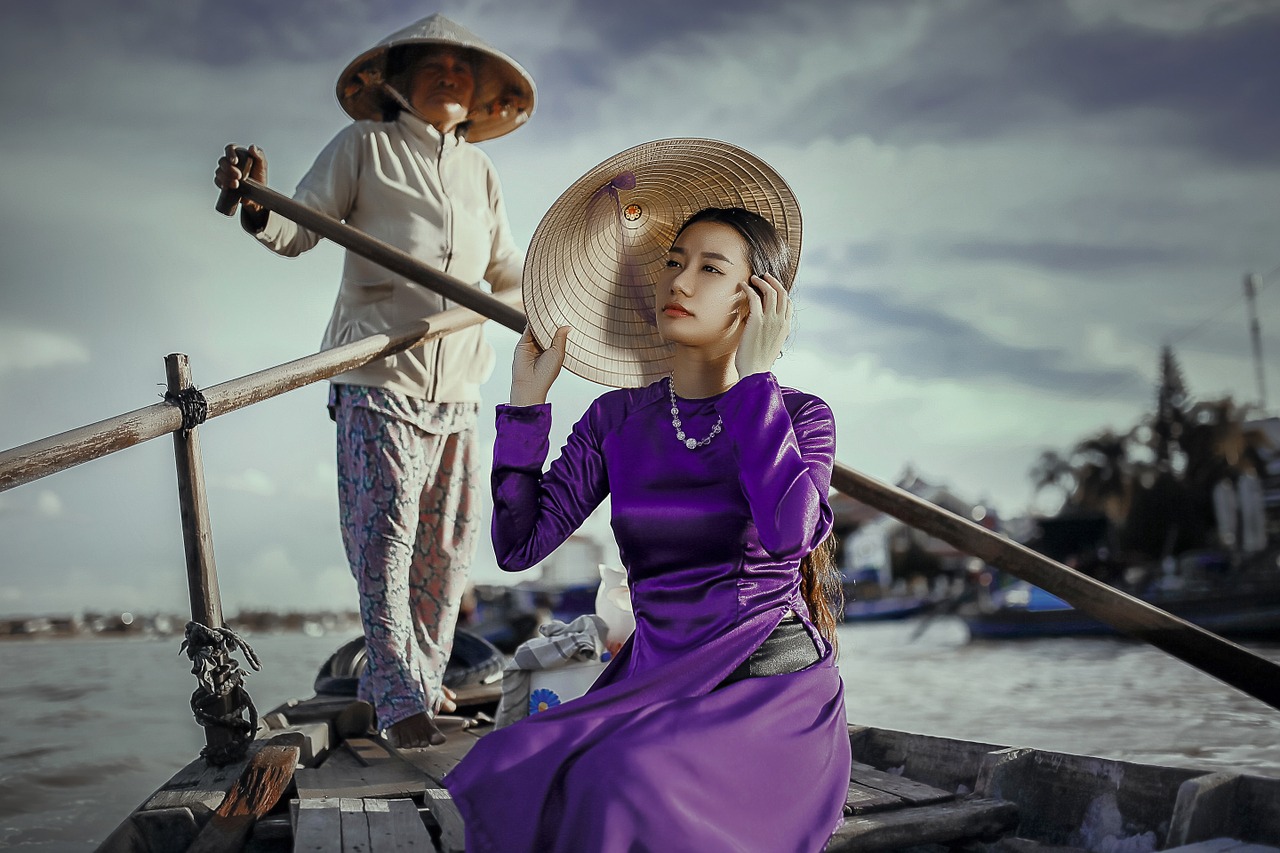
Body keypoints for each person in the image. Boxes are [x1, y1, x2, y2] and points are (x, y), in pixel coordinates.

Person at [443, 140, 851, 852]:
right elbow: (518, 545)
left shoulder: (804, 416)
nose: (679, 280)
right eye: (674, 261)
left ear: (758, 302)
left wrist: (755, 386)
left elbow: (790, 533)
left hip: (766, 696)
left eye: (709, 268)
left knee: (620, 781)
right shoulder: (615, 420)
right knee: (502, 764)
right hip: (653, 682)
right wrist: (526, 408)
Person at [212, 14, 535, 748]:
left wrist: (551, 292)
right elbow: (295, 228)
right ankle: (395, 697)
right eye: (435, 66)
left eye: (463, 67)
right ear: (396, 82)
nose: (452, 75)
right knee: (384, 537)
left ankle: (422, 677)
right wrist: (256, 201)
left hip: (460, 388)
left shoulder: (480, 172)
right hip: (378, 372)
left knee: (447, 550)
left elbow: (507, 273)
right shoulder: (365, 147)